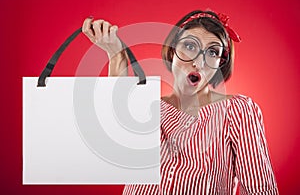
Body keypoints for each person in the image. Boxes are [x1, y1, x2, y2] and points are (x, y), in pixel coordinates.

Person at [82, 10, 278, 194]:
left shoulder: (237, 111)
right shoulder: (149, 109)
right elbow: (112, 143)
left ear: (220, 64)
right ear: (172, 51)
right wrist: (115, 53)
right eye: (190, 46)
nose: (198, 63)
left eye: (212, 52)